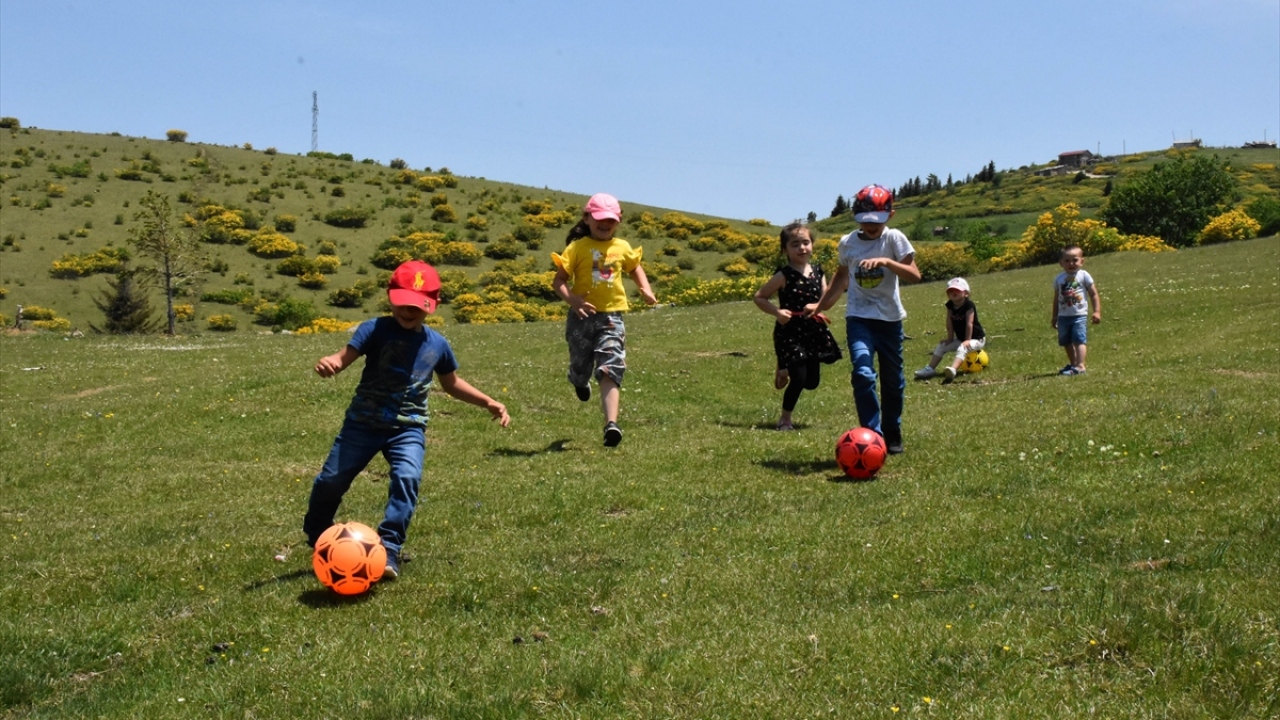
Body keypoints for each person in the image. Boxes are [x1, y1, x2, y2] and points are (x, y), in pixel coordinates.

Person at [302, 260, 510, 579]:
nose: (409, 313)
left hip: (408, 428)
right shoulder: (374, 329)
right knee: (332, 479)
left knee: (407, 479)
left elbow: (451, 383)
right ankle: (318, 533)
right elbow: (343, 359)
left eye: (418, 307)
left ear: (431, 306)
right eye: (403, 304)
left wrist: (488, 402)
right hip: (363, 423)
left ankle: (389, 548)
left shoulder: (437, 344)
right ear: (391, 297)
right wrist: (330, 362)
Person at [805, 184, 921, 454]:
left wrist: (887, 262)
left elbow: (914, 275)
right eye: (865, 222)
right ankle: (872, 434)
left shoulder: (894, 240)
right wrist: (821, 306)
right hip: (859, 318)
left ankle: (892, 430)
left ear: (890, 215)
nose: (871, 227)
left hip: (890, 320)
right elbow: (840, 280)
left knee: (893, 381)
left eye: (877, 222)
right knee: (863, 373)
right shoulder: (848, 243)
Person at [551, 193, 658, 447]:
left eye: (610, 220)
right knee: (581, 363)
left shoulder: (621, 247)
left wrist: (646, 289)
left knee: (610, 364)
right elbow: (559, 282)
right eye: (599, 218)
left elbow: (635, 267)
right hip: (581, 317)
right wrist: (574, 301)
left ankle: (611, 424)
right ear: (587, 218)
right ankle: (578, 379)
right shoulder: (577, 248)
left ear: (618, 221)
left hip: (612, 316)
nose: (605, 223)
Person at [753, 223, 842, 430]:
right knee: (799, 377)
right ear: (785, 250)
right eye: (795, 244)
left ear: (812, 245)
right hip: (790, 330)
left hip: (813, 330)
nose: (802, 248)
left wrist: (823, 303)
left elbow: (824, 298)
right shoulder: (783, 275)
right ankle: (785, 419)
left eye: (806, 243)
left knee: (811, 382)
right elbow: (759, 297)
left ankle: (783, 367)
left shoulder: (818, 272)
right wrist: (777, 312)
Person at [914, 277, 985, 384]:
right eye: (950, 291)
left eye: (957, 290)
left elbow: (969, 323)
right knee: (941, 345)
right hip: (961, 339)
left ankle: (953, 370)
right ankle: (930, 369)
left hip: (977, 339)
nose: (953, 292)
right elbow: (949, 323)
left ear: (966, 293)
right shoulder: (950, 305)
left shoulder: (968, 305)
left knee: (962, 348)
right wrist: (950, 338)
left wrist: (967, 340)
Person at [1051, 244, 1101, 375]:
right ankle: (1073, 364)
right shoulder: (1058, 278)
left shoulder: (1084, 275)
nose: (1071, 263)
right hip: (1063, 316)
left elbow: (1093, 294)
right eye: (1067, 260)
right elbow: (1056, 299)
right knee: (1066, 341)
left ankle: (1080, 366)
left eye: (1075, 260)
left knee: (1079, 339)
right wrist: (1055, 316)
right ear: (1061, 263)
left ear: (1082, 261)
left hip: (1079, 315)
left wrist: (1097, 311)